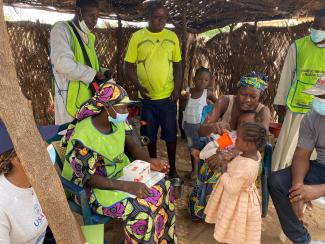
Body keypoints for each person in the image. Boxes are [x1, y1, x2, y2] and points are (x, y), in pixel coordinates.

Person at [61, 82, 177, 243]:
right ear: (108, 106)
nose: (126, 112)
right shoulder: (83, 136)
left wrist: (150, 162)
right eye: (123, 107)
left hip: (120, 176)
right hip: (91, 189)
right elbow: (89, 178)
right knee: (140, 209)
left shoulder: (118, 120)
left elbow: (135, 147)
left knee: (164, 186)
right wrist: (126, 186)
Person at [124, 2, 182, 178]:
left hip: (168, 99)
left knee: (171, 136)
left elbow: (178, 65)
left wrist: (177, 88)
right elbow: (128, 66)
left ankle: (173, 169)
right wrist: (139, 86)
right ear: (149, 16)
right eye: (157, 17)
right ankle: (154, 167)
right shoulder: (137, 37)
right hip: (147, 100)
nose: (161, 21)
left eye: (164, 18)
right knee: (149, 136)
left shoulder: (172, 37)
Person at [269, 78, 325, 244]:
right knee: (277, 181)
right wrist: (298, 189)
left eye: (323, 96)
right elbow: (302, 154)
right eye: (318, 95)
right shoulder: (312, 116)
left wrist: (319, 190)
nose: (318, 101)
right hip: (321, 167)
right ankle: (301, 239)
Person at [272, 9, 325, 171]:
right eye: (316, 25)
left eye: (323, 28)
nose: (318, 30)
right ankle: (284, 177)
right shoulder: (298, 46)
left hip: (321, 109)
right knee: (289, 150)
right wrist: (280, 102)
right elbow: (287, 75)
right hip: (298, 106)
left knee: (316, 153)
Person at [0, 123, 70, 243]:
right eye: (42, 145)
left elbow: (66, 215)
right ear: (18, 159)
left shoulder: (41, 178)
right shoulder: (4, 205)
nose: (49, 147)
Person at [189, 110, 262, 220]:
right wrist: (208, 153)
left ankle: (212, 208)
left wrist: (225, 160)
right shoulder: (232, 137)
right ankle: (204, 205)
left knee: (212, 168)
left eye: (248, 125)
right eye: (241, 124)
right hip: (225, 162)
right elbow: (215, 144)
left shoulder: (252, 148)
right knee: (211, 158)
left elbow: (240, 160)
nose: (243, 127)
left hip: (236, 176)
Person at [205, 122, 267, 244]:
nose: (235, 139)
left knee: (232, 225)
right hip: (241, 196)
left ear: (249, 145)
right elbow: (239, 160)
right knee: (234, 227)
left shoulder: (246, 166)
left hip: (237, 200)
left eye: (238, 138)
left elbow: (232, 188)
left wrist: (224, 170)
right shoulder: (253, 154)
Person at [50, 0, 108, 125]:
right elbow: (62, 64)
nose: (95, 20)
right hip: (69, 104)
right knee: (71, 140)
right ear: (78, 11)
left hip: (89, 102)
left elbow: (89, 65)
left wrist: (103, 71)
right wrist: (94, 74)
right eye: (91, 15)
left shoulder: (90, 37)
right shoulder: (62, 29)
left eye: (97, 16)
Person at [182, 67, 217, 179]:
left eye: (206, 80)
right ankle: (194, 171)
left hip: (200, 127)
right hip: (188, 126)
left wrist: (210, 113)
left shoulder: (207, 93)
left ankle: (198, 173)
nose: (203, 82)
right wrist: (185, 99)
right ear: (194, 78)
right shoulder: (188, 91)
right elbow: (182, 108)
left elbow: (219, 104)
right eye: (200, 79)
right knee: (191, 148)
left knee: (200, 148)